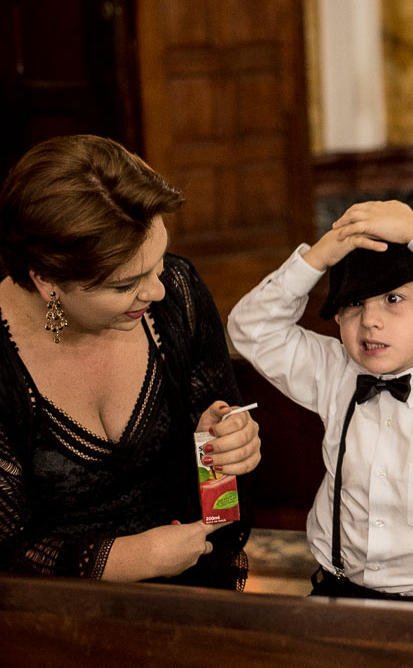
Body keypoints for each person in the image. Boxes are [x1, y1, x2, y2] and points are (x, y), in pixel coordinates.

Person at [228, 200, 413, 605]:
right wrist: (317, 258)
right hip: (334, 597)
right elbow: (250, 328)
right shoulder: (336, 375)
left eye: (393, 300)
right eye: (353, 305)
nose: (370, 320)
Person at [0, 135, 261, 588]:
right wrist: (118, 561)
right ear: (47, 282)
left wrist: (219, 452)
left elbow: (226, 518)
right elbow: (7, 545)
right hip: (46, 630)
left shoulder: (177, 296)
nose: (156, 291)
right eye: (125, 285)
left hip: (193, 599)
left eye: (158, 262)